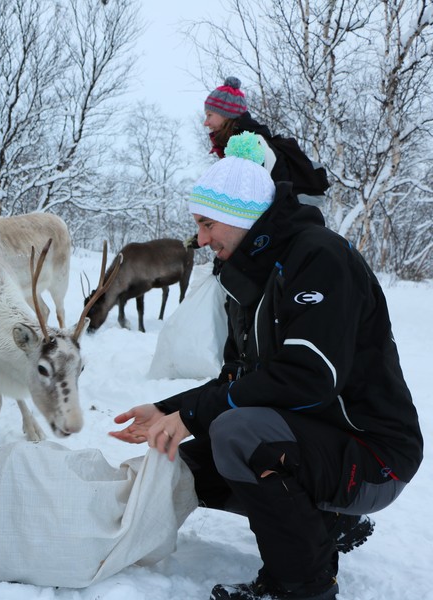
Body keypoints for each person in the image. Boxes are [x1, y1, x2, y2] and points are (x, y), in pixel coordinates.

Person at [110, 132, 423, 600]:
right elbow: (237, 381)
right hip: (320, 442)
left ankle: (301, 586)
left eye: (207, 223)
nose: (200, 239)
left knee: (238, 436)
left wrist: (192, 416)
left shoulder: (320, 258)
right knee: (189, 466)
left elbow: (308, 376)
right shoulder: (250, 278)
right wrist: (168, 410)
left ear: (242, 217)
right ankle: (328, 523)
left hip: (374, 455)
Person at [204, 76, 329, 207]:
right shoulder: (247, 141)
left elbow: (249, 200)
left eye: (209, 115)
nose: (206, 122)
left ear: (226, 114)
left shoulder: (248, 146)